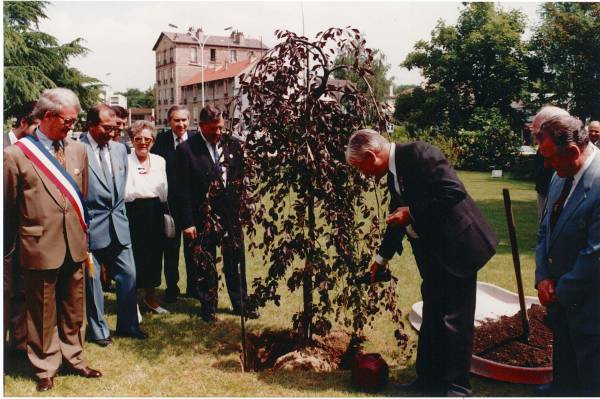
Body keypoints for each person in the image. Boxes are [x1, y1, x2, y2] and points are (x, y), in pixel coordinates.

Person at [346, 129, 498, 397]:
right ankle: (427, 380)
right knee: (433, 316)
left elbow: (453, 191)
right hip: (435, 254)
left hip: (459, 249)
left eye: (361, 168)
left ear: (371, 156)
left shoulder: (419, 154)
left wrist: (412, 212)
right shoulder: (394, 174)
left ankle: (458, 387)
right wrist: (381, 260)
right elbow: (398, 219)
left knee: (455, 319)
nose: (363, 175)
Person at [4, 88, 102, 391]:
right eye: (68, 121)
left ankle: (75, 358)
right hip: (37, 246)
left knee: (74, 307)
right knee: (42, 310)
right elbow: (7, 208)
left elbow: (80, 198)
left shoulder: (78, 150)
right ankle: (45, 365)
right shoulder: (16, 155)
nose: (72, 126)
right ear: (47, 116)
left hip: (73, 244)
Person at [534, 115, 600, 396]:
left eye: (550, 159)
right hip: (560, 300)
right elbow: (544, 231)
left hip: (590, 307)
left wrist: (560, 290)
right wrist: (542, 276)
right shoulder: (559, 175)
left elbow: (595, 254)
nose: (546, 166)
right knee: (565, 369)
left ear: (573, 151)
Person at [175, 104, 257, 321]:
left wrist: (244, 208)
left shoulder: (234, 146)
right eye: (213, 129)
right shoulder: (186, 150)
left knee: (235, 260)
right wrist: (187, 222)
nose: (218, 133)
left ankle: (241, 303)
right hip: (202, 216)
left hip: (231, 215)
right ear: (201, 126)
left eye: (220, 128)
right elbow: (181, 191)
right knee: (206, 262)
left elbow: (240, 181)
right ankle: (208, 306)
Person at [80, 104, 146, 347]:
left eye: (115, 127)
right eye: (106, 128)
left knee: (129, 274)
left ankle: (129, 326)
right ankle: (99, 331)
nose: (112, 132)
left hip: (119, 226)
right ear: (91, 126)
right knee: (93, 281)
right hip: (89, 228)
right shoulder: (77, 150)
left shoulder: (120, 149)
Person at [3, 100, 40, 356]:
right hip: (4, 235)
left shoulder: (35, 150)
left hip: (25, 235)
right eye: (37, 127)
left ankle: (19, 345)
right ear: (23, 123)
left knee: (21, 292)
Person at [151, 105, 196, 303]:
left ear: (190, 121)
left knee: (193, 249)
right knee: (170, 250)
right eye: (176, 120)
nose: (181, 124)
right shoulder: (160, 141)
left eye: (184, 120)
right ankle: (172, 288)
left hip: (192, 206)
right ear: (169, 122)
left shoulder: (196, 141)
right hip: (168, 206)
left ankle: (194, 288)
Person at [125, 120, 169, 313]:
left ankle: (151, 299)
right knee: (133, 257)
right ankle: (131, 301)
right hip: (133, 211)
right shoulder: (125, 161)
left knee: (153, 256)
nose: (143, 142)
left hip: (155, 211)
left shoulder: (160, 161)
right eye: (138, 139)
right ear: (132, 140)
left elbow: (164, 190)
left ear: (153, 141)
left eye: (147, 139)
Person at [532, 106, 570, 220]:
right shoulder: (543, 148)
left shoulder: (567, 153)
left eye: (538, 133)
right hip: (543, 189)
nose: (536, 139)